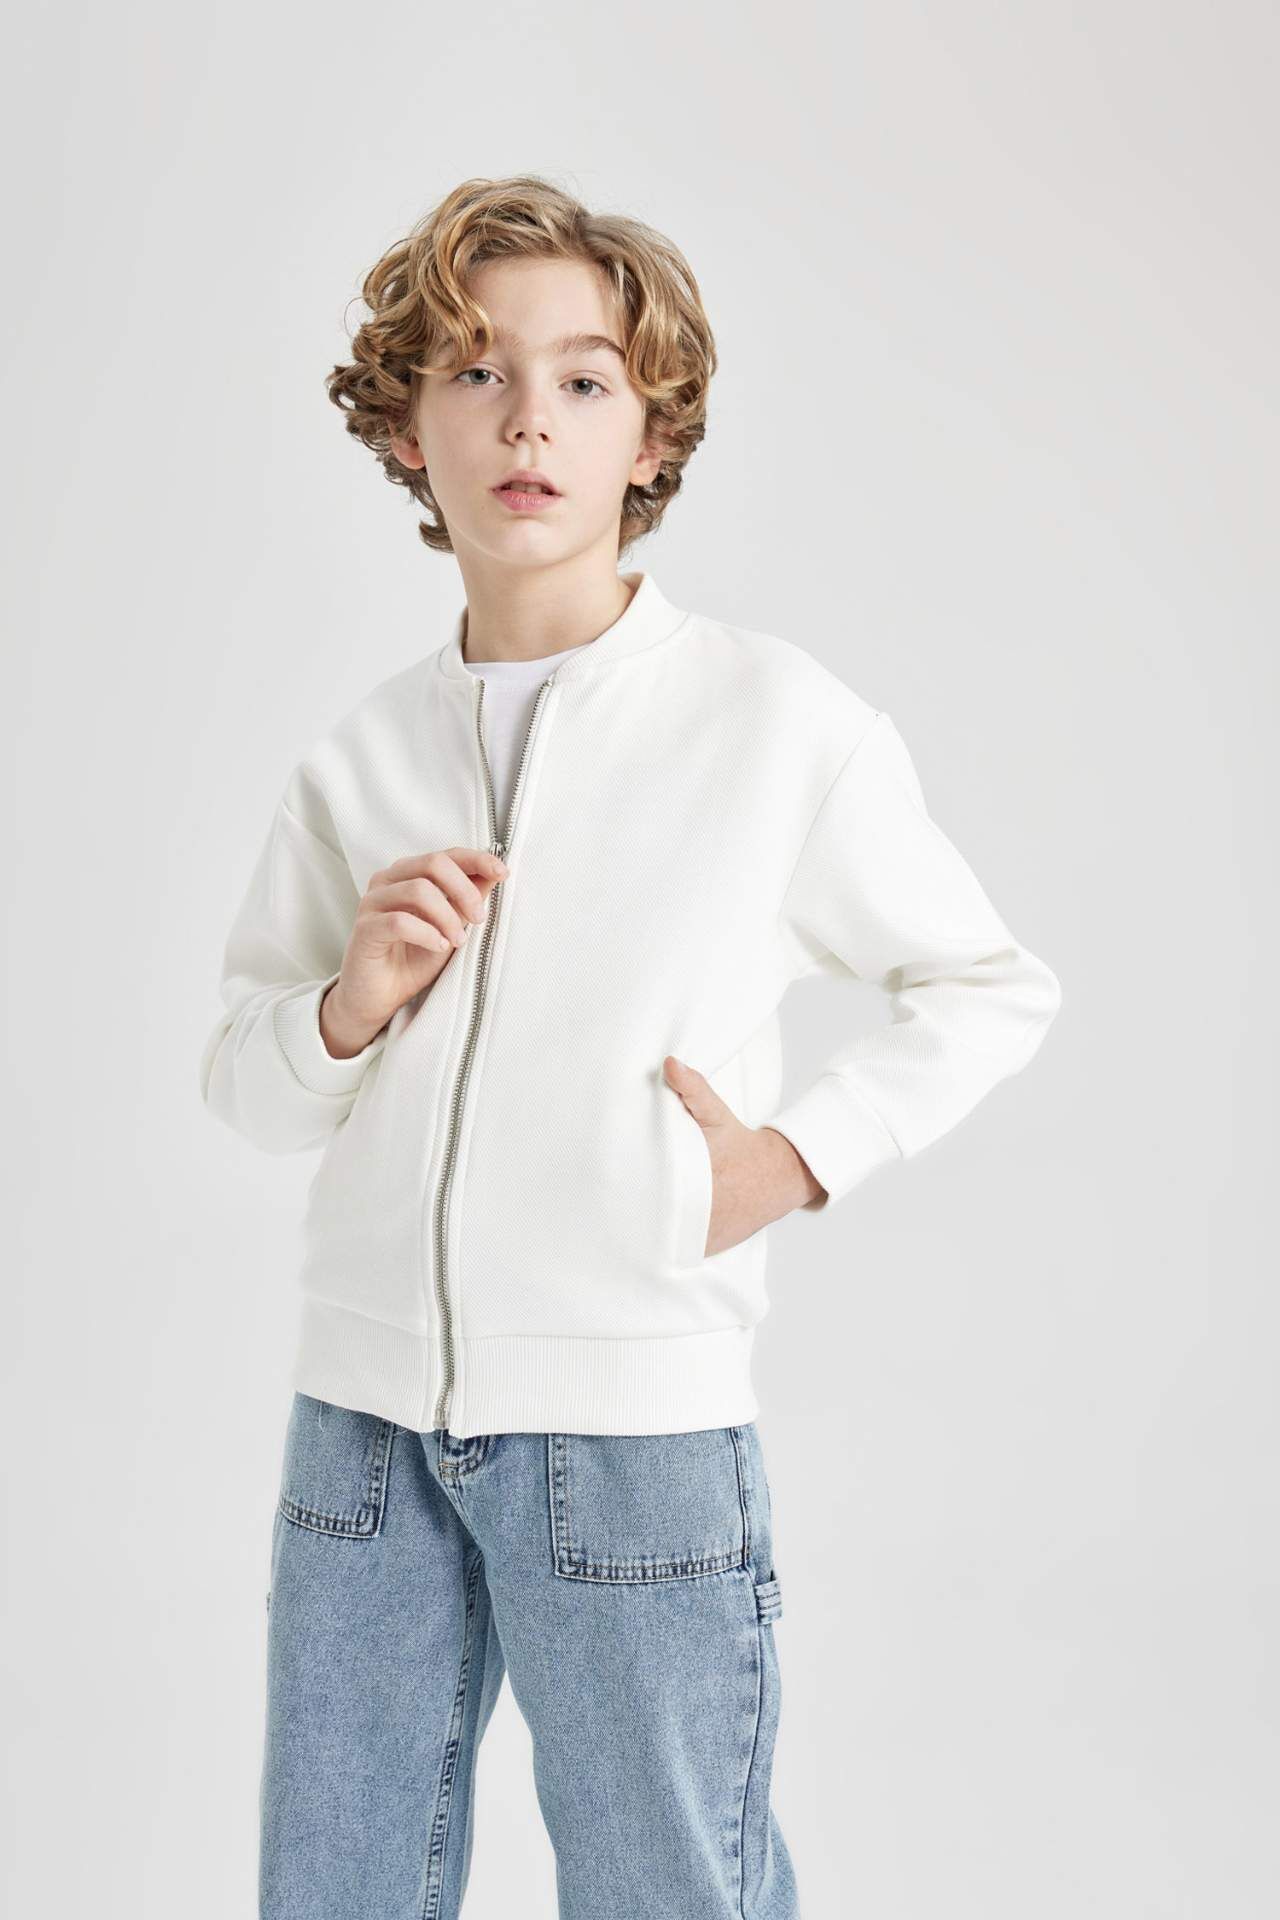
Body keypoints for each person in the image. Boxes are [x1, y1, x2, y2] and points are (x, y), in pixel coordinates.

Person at [199, 173, 1062, 1920]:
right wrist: (348, 1008)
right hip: (360, 1435)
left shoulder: (775, 724)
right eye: (475, 371)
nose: (528, 418)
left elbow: (988, 982)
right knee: (330, 1890)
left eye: (584, 380)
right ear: (407, 430)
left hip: (630, 1437)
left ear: (650, 435)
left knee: (671, 1890)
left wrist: (794, 1159)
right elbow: (246, 1081)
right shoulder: (360, 758)